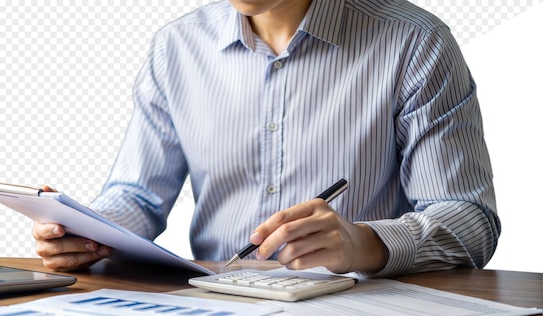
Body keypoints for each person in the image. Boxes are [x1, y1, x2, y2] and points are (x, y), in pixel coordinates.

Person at [33, 0, 500, 277]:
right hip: (216, 311)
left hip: (358, 315)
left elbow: (471, 222)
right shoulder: (176, 46)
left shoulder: (415, 42)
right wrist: (89, 231)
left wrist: (366, 243)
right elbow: (137, 196)